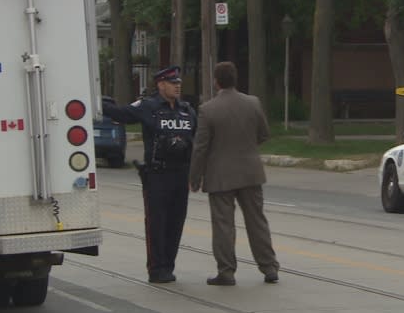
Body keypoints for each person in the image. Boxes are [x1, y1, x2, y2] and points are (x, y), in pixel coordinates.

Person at [103, 65, 197, 283]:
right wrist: (98, 102)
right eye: (173, 84)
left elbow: (196, 141)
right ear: (161, 85)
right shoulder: (148, 107)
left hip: (181, 174)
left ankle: (169, 266)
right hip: (158, 175)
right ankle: (157, 268)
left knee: (176, 222)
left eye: (179, 84)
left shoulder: (186, 110)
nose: (177, 87)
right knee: (157, 222)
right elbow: (120, 113)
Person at [189, 61, 279, 286]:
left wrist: (195, 177)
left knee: (223, 225)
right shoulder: (253, 103)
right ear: (236, 79)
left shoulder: (208, 109)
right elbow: (264, 134)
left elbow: (200, 147)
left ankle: (226, 271)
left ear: (216, 81)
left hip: (220, 175)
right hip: (250, 172)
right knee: (257, 221)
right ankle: (269, 267)